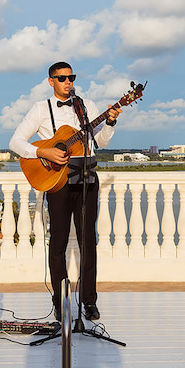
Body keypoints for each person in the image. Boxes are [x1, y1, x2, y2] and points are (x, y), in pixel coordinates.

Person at [9, 61, 121, 321]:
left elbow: (100, 142)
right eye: (62, 78)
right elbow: (15, 142)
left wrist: (111, 123)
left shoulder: (87, 107)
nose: (68, 82)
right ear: (51, 81)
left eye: (71, 77)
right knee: (58, 243)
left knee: (88, 243)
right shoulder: (40, 109)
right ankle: (60, 302)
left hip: (87, 181)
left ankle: (89, 301)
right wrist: (43, 151)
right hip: (57, 184)